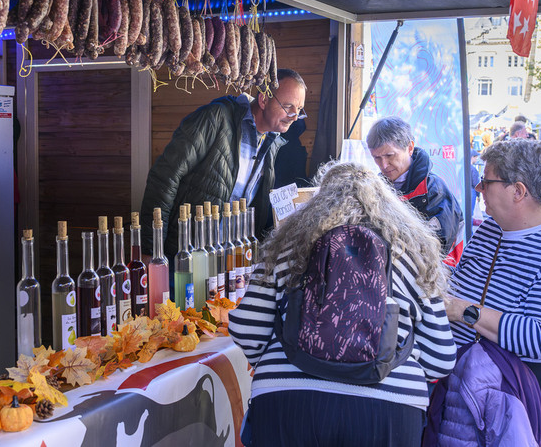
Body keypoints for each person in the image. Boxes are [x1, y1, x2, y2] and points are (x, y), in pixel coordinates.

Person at [229, 160, 455, 446]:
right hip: (389, 413)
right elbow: (440, 359)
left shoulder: (286, 247)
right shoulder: (413, 255)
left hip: (286, 400)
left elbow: (248, 333)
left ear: (319, 200)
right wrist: (392, 353)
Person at [446, 139, 541, 447]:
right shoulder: (490, 229)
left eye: (486, 182)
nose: (479, 189)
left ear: (518, 191)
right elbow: (459, 285)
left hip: (529, 401)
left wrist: (461, 310)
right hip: (476, 388)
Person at [140, 69, 306, 258]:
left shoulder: (273, 141)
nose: (294, 116)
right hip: (185, 254)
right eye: (288, 106)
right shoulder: (215, 118)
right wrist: (151, 249)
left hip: (228, 260)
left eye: (299, 110)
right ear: (263, 100)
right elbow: (164, 178)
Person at [366, 116, 463, 255]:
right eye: (377, 158)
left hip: (439, 273)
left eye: (390, 155)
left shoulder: (435, 191)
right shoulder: (374, 189)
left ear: (410, 147)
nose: (384, 165)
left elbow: (435, 249)